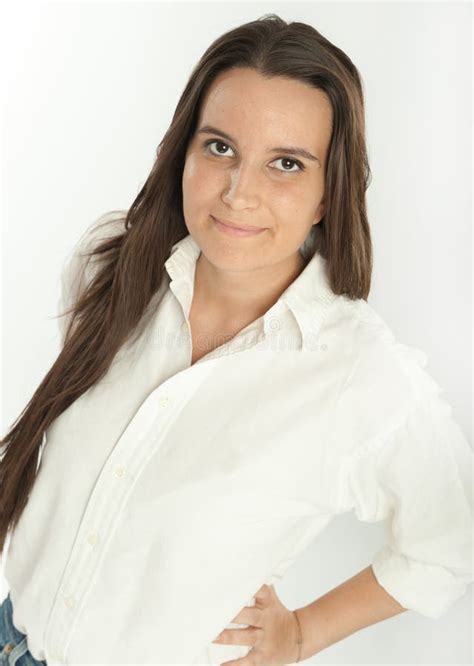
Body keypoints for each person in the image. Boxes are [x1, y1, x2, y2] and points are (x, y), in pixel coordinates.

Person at [0, 13, 472, 666]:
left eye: (285, 163)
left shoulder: (362, 375)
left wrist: (302, 633)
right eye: (220, 147)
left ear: (327, 193)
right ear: (184, 149)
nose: (238, 192)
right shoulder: (111, 265)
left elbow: (451, 544)